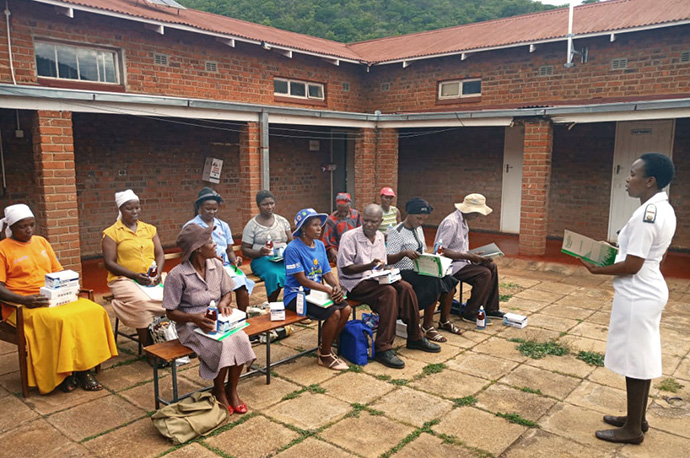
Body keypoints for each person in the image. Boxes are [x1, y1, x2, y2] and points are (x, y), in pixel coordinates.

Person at [581, 153, 676, 445]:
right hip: (645, 289)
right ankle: (637, 418)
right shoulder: (659, 208)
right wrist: (611, 249)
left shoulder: (649, 215)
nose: (628, 178)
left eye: (633, 174)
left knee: (636, 361)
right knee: (640, 358)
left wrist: (598, 269)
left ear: (650, 180)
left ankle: (632, 429)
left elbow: (633, 264)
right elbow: (634, 253)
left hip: (638, 293)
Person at [0, 204, 117, 394]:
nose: (29, 230)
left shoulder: (41, 242)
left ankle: (84, 369)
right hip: (22, 305)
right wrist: (24, 300)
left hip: (53, 296)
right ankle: (64, 373)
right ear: (11, 227)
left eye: (32, 225)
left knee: (93, 311)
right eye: (23, 226)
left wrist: (69, 285)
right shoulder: (3, 249)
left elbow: (58, 271)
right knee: (59, 320)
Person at [163, 223, 256, 414]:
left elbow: (227, 292)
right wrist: (194, 318)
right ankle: (220, 390)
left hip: (218, 320)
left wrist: (224, 303)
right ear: (197, 249)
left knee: (241, 338)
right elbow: (170, 312)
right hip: (190, 325)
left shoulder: (216, 265)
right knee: (225, 345)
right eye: (210, 242)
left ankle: (232, 389)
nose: (215, 245)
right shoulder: (177, 275)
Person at [337, 204, 440, 369]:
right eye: (366, 220)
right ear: (362, 219)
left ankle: (415, 337)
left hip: (375, 278)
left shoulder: (378, 236)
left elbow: (382, 262)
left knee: (405, 287)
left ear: (381, 221)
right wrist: (369, 266)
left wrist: (386, 270)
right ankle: (383, 347)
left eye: (374, 222)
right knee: (389, 292)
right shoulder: (349, 237)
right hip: (355, 282)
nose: (369, 225)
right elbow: (345, 269)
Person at [284, 208, 351, 370]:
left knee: (346, 309)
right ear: (304, 229)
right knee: (334, 313)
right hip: (297, 295)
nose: (319, 228)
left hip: (317, 292)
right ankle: (325, 356)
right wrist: (327, 290)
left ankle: (325, 346)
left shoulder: (320, 245)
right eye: (314, 225)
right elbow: (302, 280)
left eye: (320, 225)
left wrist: (335, 287)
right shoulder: (293, 249)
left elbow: (327, 272)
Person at [387, 198, 461, 342]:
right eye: (418, 218)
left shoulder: (419, 229)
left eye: (424, 219)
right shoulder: (397, 232)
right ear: (409, 214)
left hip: (420, 269)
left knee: (449, 281)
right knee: (434, 283)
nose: (420, 222)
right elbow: (388, 259)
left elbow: (423, 249)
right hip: (403, 272)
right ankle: (427, 326)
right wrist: (404, 253)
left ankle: (444, 320)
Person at [102, 189, 166, 348]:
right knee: (142, 302)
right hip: (124, 280)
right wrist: (134, 276)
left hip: (152, 278)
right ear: (120, 210)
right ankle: (150, 347)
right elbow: (109, 263)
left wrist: (158, 272)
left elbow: (160, 254)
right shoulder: (111, 233)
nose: (134, 211)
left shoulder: (149, 229)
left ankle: (173, 339)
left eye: (137, 207)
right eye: (129, 208)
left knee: (178, 293)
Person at [434, 194, 505, 324]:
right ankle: (472, 312)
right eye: (477, 213)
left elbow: (459, 248)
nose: (478, 216)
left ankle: (491, 308)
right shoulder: (451, 222)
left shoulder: (463, 221)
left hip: (461, 261)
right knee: (484, 274)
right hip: (449, 265)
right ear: (470, 210)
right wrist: (469, 256)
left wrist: (475, 255)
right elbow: (441, 250)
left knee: (492, 267)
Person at [186, 187, 255, 312]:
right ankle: (221, 317)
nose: (211, 212)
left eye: (214, 209)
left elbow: (229, 250)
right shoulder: (192, 226)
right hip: (203, 268)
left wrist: (235, 260)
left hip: (225, 267)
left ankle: (243, 317)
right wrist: (211, 259)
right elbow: (189, 253)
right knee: (219, 291)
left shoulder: (223, 225)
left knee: (242, 287)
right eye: (208, 209)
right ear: (199, 207)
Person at [241, 190, 293, 302]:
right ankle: (273, 304)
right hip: (262, 260)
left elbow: (291, 242)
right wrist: (259, 252)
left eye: (271, 203)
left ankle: (292, 303)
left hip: (283, 258)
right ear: (258, 206)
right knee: (274, 274)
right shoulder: (252, 225)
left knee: (297, 270)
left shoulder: (282, 221)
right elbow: (245, 250)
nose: (269, 207)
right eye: (265, 204)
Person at [323, 193, 361, 263]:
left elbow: (361, 234)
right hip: (340, 251)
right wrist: (335, 254)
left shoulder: (356, 215)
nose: (343, 213)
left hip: (356, 249)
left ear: (349, 206)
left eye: (345, 210)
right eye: (340, 211)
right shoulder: (331, 220)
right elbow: (328, 243)